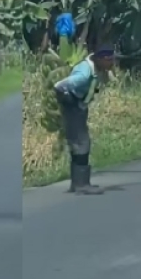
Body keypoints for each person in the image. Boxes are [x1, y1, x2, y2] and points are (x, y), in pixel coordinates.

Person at [53, 44, 116, 195]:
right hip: (73, 106)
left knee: (79, 142)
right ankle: (81, 184)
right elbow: (59, 85)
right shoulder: (84, 74)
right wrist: (68, 100)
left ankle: (78, 183)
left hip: (79, 106)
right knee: (82, 142)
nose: (112, 64)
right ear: (101, 59)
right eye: (110, 61)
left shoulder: (95, 69)